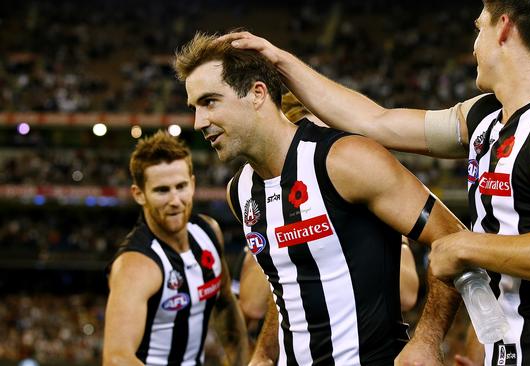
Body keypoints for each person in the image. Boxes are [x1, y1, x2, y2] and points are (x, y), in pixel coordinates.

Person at [220, 0, 530, 364]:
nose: (474, 45)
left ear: (504, 28)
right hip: (510, 346)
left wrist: (464, 245)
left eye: (479, 27)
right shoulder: (484, 117)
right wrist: (281, 61)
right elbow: (373, 121)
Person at [175, 32, 467, 365]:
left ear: (257, 94)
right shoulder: (239, 192)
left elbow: (452, 236)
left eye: (209, 101)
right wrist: (265, 353)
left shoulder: (345, 160)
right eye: (194, 108)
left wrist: (428, 340)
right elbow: (285, 282)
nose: (199, 122)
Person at [103, 131, 250, 366]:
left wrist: (243, 362)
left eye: (180, 186)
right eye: (162, 190)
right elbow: (117, 359)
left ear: (192, 184)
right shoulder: (136, 265)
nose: (175, 200)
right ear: (139, 194)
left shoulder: (208, 232)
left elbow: (225, 305)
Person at [281, 91, 421, 312]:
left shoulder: (365, 188)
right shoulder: (259, 199)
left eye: (329, 139)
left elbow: (406, 294)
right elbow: (253, 306)